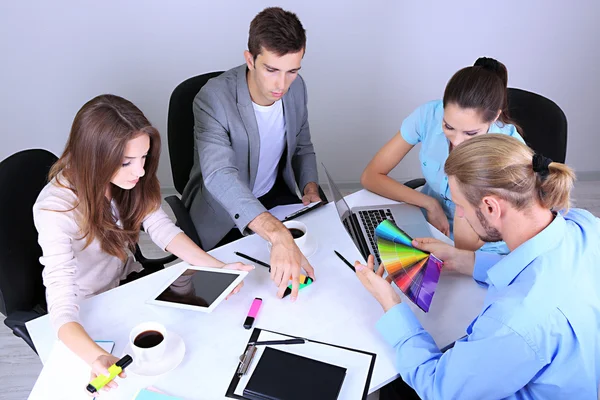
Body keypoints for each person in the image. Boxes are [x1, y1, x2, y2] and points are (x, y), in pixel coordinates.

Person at [33, 95, 252, 394]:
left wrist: (219, 267)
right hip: (92, 306)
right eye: (126, 162)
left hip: (128, 283)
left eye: (144, 157)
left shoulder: (128, 181)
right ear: (94, 157)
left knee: (201, 343)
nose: (140, 171)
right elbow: (60, 308)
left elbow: (162, 227)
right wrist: (95, 356)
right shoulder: (55, 210)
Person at [356, 135, 600, 399]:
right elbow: (539, 269)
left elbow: (439, 389)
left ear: (491, 207)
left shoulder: (513, 323)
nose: (459, 214)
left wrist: (391, 305)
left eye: (460, 205)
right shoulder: (584, 225)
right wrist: (465, 260)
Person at [181, 7, 320, 300]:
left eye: (292, 71)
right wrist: (277, 233)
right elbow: (220, 176)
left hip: (273, 197)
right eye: (271, 70)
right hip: (222, 215)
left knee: (307, 279)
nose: (281, 85)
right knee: (240, 297)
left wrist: (309, 187)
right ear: (250, 59)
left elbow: (303, 144)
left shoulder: (297, 89)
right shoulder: (213, 99)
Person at [361, 57, 524, 254]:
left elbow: (466, 248)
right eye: (448, 126)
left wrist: (460, 186)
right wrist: (429, 203)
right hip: (426, 222)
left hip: (478, 248)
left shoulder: (509, 151)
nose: (456, 141)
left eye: (471, 133)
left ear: (495, 117)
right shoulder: (429, 115)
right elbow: (371, 176)